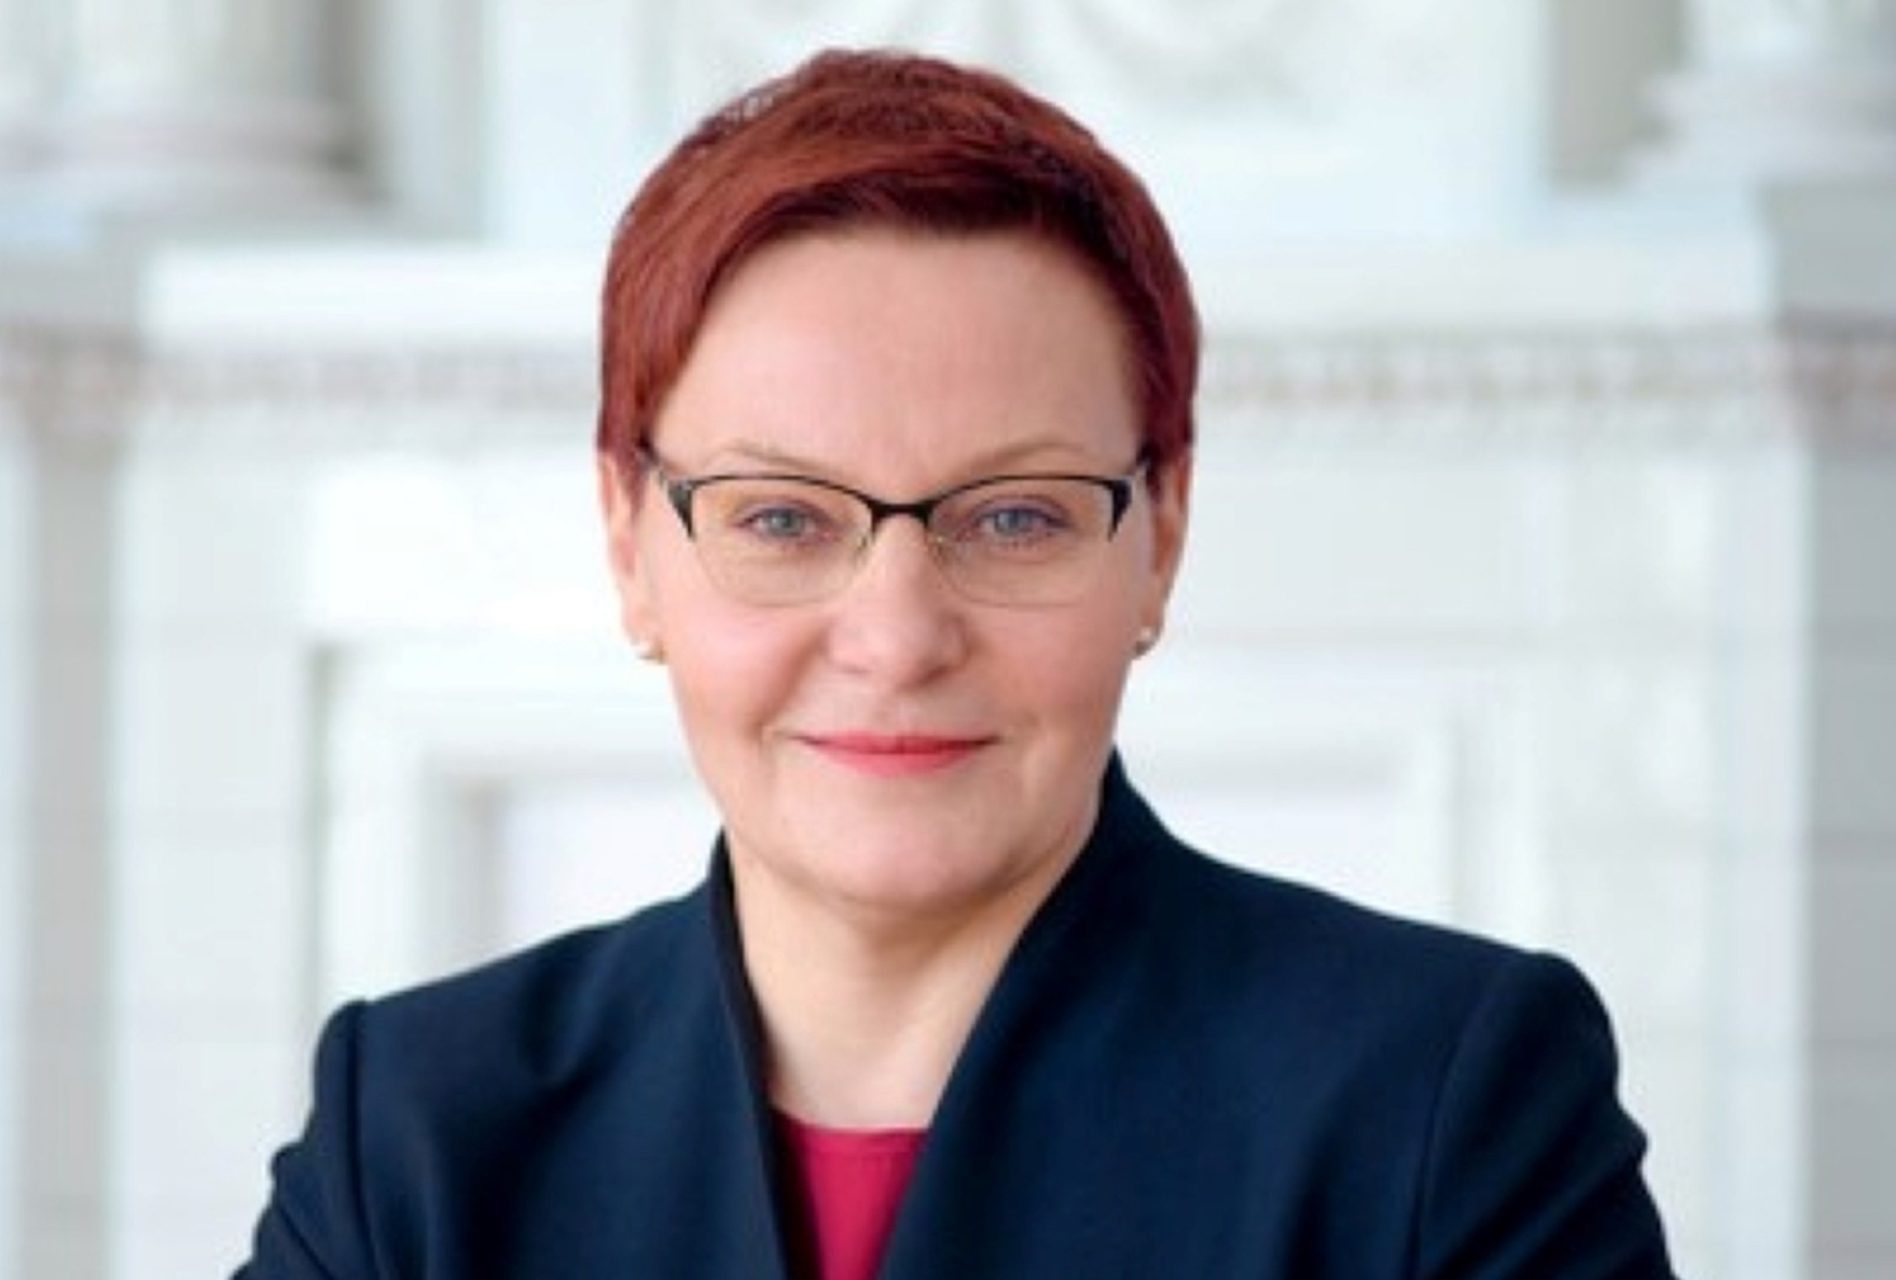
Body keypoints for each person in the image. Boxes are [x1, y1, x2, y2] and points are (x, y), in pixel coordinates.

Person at [237, 49, 1674, 1279]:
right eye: (782, 518)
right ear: (629, 543)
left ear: (1161, 537)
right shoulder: (410, 1133)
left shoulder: (1450, 1104)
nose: (897, 637)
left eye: (1015, 517)